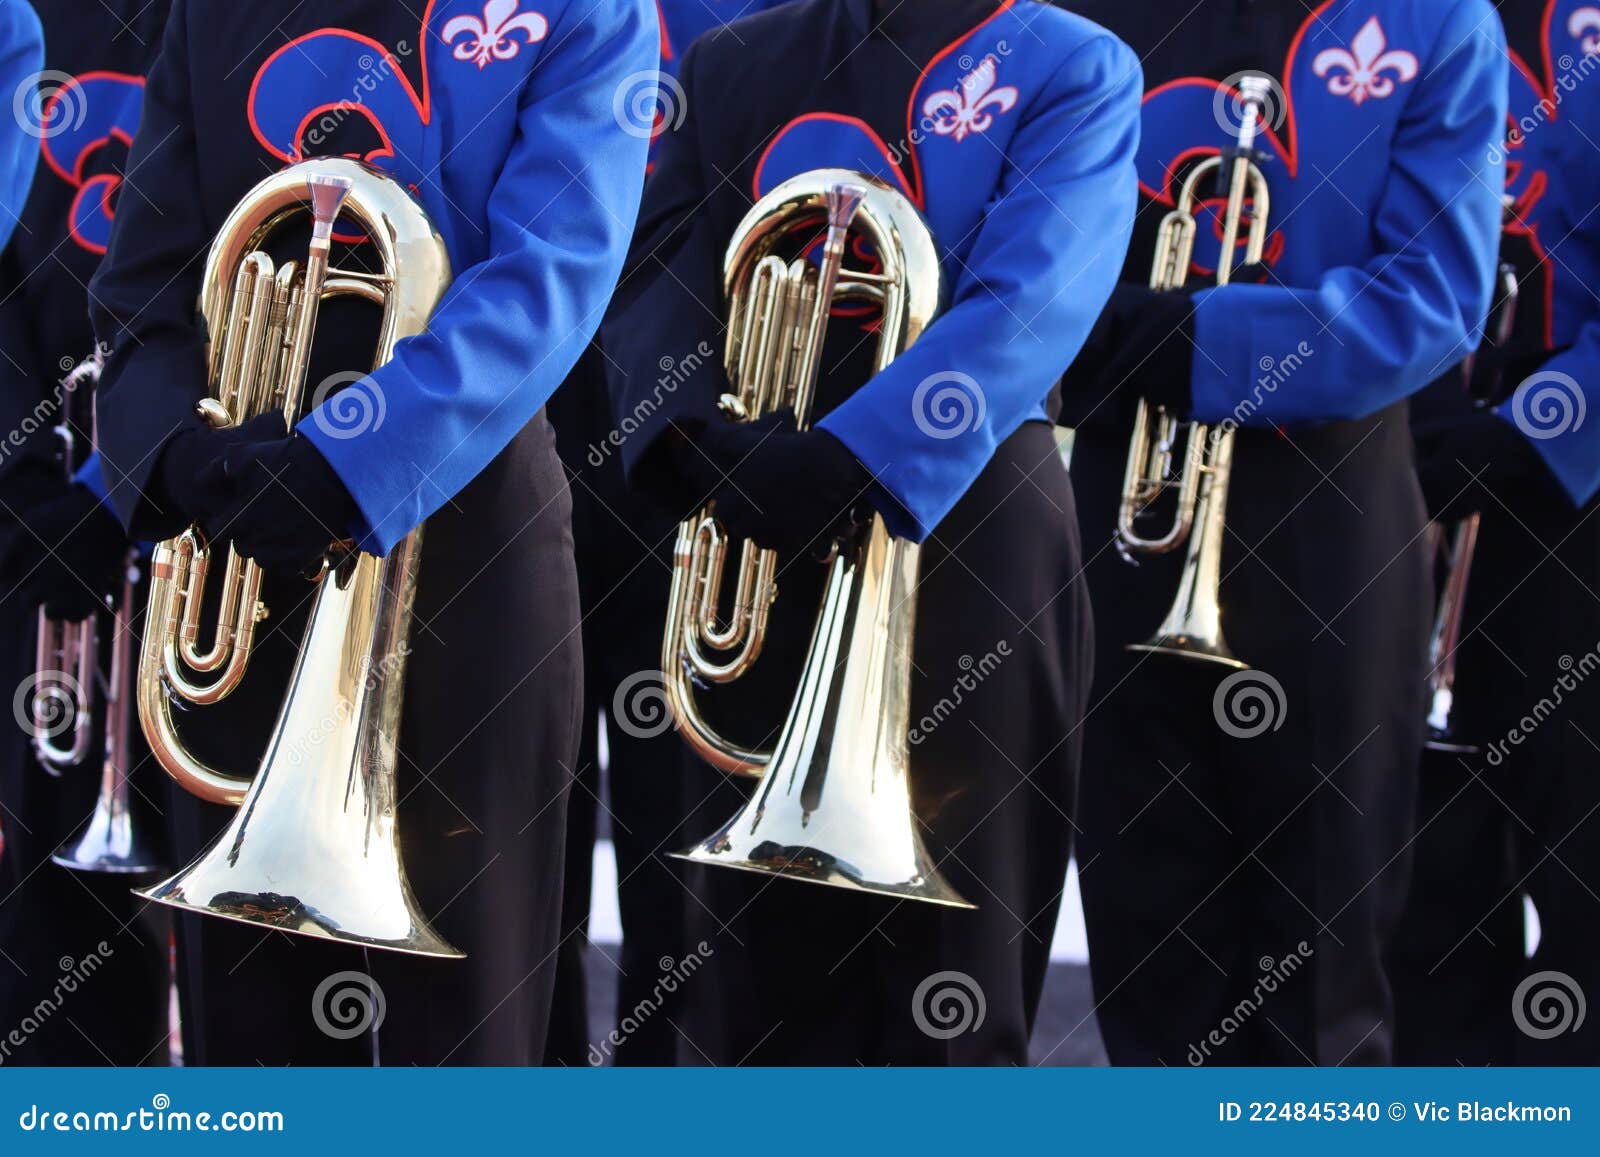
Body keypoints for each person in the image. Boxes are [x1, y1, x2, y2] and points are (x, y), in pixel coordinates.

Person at [86, 0, 654, 1065]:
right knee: (247, 1030)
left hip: (469, 543)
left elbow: (549, 278)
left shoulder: (589, 13)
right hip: (239, 532)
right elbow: (141, 284)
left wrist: (349, 458)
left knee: (465, 1016)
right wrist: (172, 455)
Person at [603, 0, 1140, 1064]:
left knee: (955, 964)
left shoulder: (1076, 62)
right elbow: (663, 270)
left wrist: (862, 453)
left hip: (967, 520)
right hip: (754, 504)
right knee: (747, 974)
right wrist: (690, 438)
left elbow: (1033, 297)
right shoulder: (732, 60)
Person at [1060, 0, 1507, 1065]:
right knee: (1145, 947)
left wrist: (1191, 341)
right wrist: (1081, 334)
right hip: (1123, 500)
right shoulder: (1072, 22)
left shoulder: (1436, 20)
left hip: (1332, 515)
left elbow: (1433, 296)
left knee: (1319, 979)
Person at [544, 0, 794, 1067]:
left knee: (685, 821)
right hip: (516, 422)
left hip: (691, 437)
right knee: (515, 819)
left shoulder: (757, 26)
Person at [1390, 0, 1600, 1066]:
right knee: (1420, 885)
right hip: (1397, 466)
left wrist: (1533, 430)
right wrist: (1409, 407)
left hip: (1572, 491)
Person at [0, 0, 171, 1067]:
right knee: (41, 908)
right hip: (32, 493)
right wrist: (23, 473)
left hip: (213, 485)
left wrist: (129, 477)